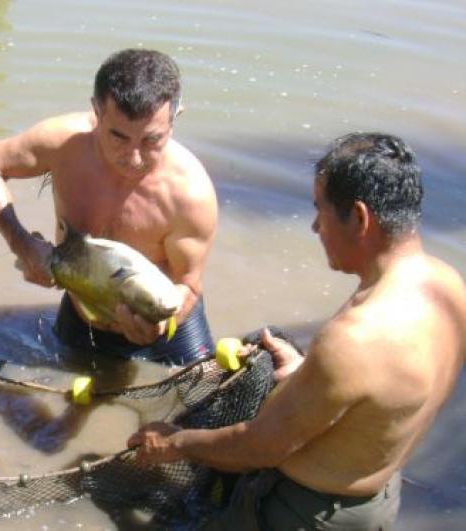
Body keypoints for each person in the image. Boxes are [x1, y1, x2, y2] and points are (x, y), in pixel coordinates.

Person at [128, 132, 466, 530]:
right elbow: (379, 399)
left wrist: (173, 443)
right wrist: (306, 374)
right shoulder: (450, 288)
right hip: (376, 499)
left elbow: (258, 447)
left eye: (320, 210)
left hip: (306, 513)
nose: (314, 226)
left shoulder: (355, 337)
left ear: (359, 217)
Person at [0, 49, 218, 365]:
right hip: (83, 313)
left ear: (175, 118)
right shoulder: (63, 144)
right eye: (118, 137)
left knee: (205, 408)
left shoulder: (190, 195)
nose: (133, 157)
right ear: (96, 111)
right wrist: (23, 243)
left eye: (152, 140)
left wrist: (158, 325)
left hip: (167, 328)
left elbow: (188, 285)